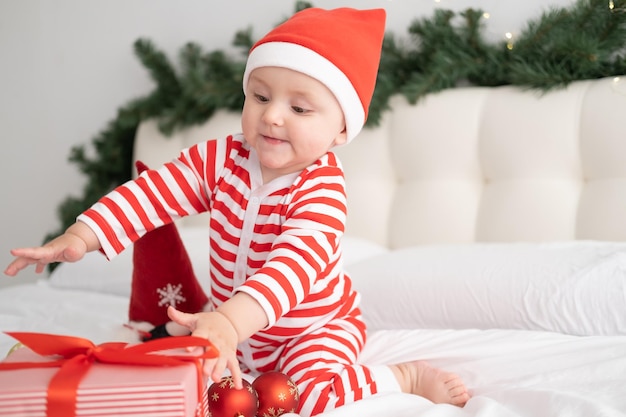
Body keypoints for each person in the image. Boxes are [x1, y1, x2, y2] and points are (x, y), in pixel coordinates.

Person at [4, 7, 470, 416]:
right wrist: (84, 234)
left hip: (310, 327)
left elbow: (292, 268)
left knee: (307, 398)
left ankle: (403, 378)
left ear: (339, 132)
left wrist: (229, 322)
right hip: (233, 323)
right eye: (261, 97)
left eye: (300, 108)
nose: (272, 117)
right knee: (182, 381)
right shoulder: (222, 159)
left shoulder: (322, 189)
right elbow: (156, 192)